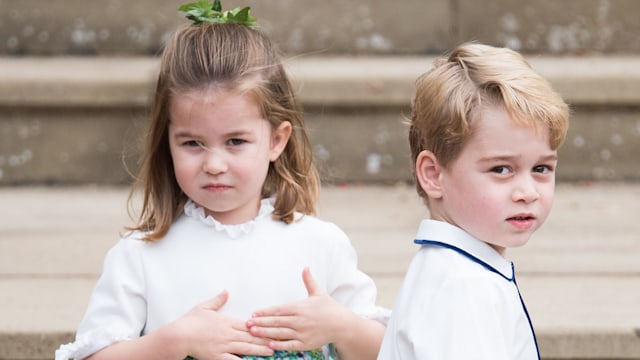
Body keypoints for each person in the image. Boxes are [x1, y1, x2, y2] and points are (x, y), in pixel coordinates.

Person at [55, 2, 388, 359]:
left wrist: (343, 328)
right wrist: (173, 342)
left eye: (235, 142)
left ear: (276, 140)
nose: (214, 164)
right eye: (193, 143)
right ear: (167, 142)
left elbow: (395, 350)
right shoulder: (141, 257)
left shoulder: (322, 244)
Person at [377, 43, 569, 360]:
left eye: (541, 169)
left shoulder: (453, 270)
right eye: (501, 169)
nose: (528, 191)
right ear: (434, 174)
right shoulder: (465, 287)